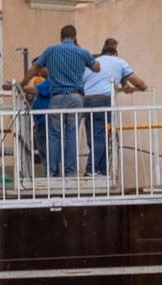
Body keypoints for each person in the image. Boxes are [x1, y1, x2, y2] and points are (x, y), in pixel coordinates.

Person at [22, 25, 102, 178]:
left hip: (57, 97)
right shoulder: (82, 52)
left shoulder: (51, 50)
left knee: (54, 135)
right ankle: (70, 171)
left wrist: (22, 83)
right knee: (71, 134)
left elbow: (34, 68)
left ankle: (51, 172)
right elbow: (97, 68)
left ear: (61, 36)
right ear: (74, 36)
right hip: (76, 97)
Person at [82, 39, 147, 176]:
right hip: (103, 101)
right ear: (115, 53)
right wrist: (143, 87)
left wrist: (124, 84)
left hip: (86, 101)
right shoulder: (119, 62)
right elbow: (137, 81)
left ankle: (101, 171)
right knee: (102, 137)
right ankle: (91, 169)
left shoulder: (92, 63)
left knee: (93, 138)